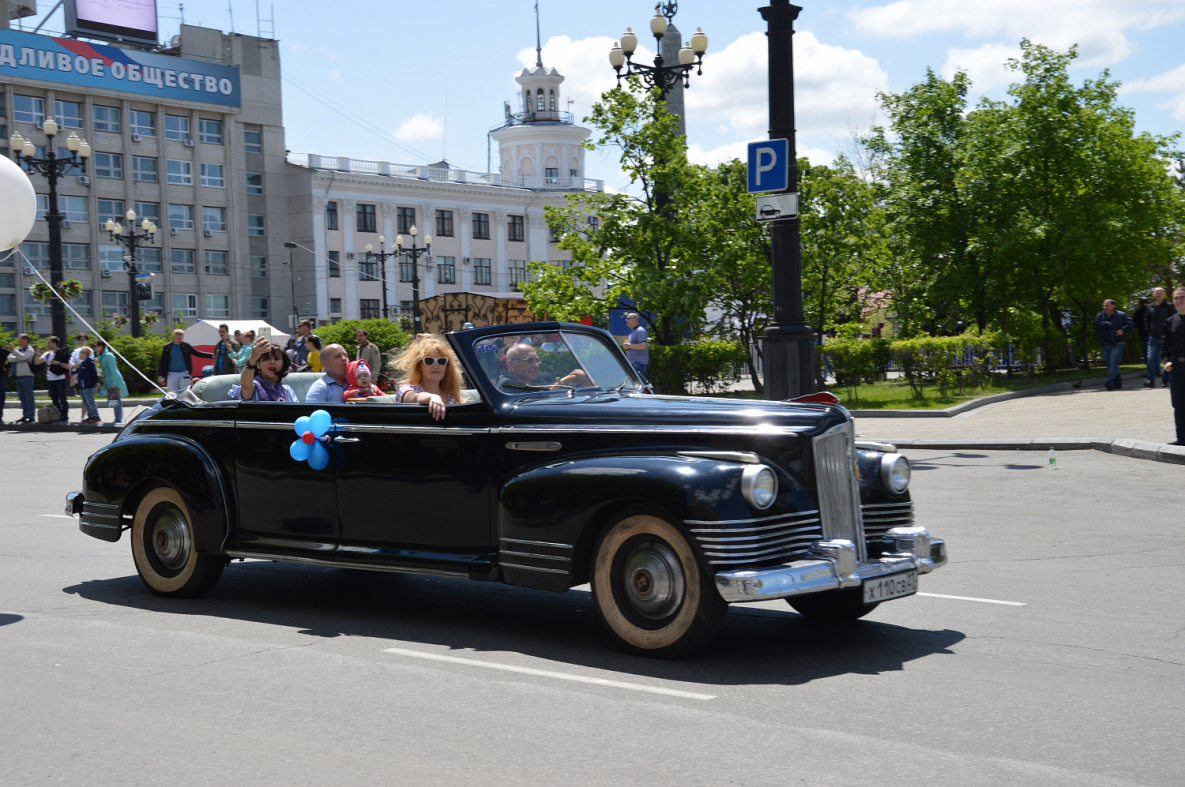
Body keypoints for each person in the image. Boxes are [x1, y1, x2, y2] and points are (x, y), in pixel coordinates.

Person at [395, 334, 463, 420]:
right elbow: (414, 398)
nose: (436, 366)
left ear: (446, 367)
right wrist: (432, 397)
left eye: (441, 361)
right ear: (419, 366)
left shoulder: (453, 397)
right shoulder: (406, 390)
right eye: (429, 361)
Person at [498, 341, 591, 390]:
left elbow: (560, 389)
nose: (536, 365)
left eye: (537, 360)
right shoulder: (506, 386)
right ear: (512, 365)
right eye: (529, 360)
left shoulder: (543, 378)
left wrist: (580, 382)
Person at [229, 337, 298, 402]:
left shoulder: (286, 390)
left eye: (276, 359)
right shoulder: (254, 388)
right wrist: (252, 359)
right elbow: (246, 387)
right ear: (258, 364)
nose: (272, 362)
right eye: (267, 359)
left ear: (283, 364)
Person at [1161, 287, 1185, 445]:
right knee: (1178, 404)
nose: (1179, 301)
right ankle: (1182, 439)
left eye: (1182, 297)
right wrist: (1166, 361)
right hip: (1177, 367)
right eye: (1176, 298)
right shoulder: (1170, 322)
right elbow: (1165, 346)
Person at [1093, 299, 1134, 390]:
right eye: (1104, 306)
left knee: (1113, 363)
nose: (1105, 308)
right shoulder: (1100, 315)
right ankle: (1118, 382)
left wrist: (1122, 330)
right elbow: (1096, 325)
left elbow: (1130, 324)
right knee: (1110, 364)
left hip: (1118, 343)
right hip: (1105, 343)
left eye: (1107, 306)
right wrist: (1107, 324)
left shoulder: (1121, 315)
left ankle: (1110, 381)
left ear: (1113, 306)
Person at [1142, 287, 1174, 388]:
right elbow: (1146, 320)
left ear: (1164, 294)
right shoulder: (1150, 306)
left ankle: (1166, 380)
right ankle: (1151, 380)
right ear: (1153, 295)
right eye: (1156, 293)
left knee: (1166, 359)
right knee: (1150, 358)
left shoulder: (1169, 306)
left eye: (1160, 293)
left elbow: (1174, 320)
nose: (1158, 294)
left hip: (1166, 337)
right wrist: (1149, 331)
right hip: (1153, 337)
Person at [6, 334, 39, 423]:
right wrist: (20, 358)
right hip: (18, 376)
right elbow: (9, 358)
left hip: (27, 376)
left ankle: (31, 416)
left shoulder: (30, 349)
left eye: (19, 339)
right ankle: (25, 415)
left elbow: (24, 357)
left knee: (29, 397)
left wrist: (14, 351)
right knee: (22, 398)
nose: (18, 341)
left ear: (25, 340)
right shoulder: (17, 349)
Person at [94, 339, 128, 425]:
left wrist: (113, 384)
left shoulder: (108, 356)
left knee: (116, 399)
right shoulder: (101, 356)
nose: (94, 348)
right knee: (113, 400)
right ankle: (117, 418)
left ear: (101, 346)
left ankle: (118, 419)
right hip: (109, 380)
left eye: (95, 346)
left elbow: (113, 370)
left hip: (114, 380)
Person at [42, 336, 71, 421]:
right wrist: (38, 352)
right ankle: (59, 414)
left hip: (60, 379)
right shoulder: (48, 354)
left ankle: (65, 416)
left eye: (49, 343)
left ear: (54, 343)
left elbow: (68, 366)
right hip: (50, 380)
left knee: (62, 398)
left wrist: (58, 363)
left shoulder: (62, 353)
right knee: (54, 399)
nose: (47, 344)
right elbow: (37, 362)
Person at [75, 346, 101, 424]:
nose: (79, 354)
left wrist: (95, 382)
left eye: (80, 353)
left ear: (85, 354)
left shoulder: (89, 363)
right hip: (82, 386)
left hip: (88, 386)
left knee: (90, 401)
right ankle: (90, 416)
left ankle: (95, 416)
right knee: (86, 402)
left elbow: (94, 374)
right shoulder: (83, 363)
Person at [623, 312, 649, 381]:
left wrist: (630, 345)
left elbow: (643, 346)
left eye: (628, 318)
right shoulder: (633, 332)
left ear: (634, 319)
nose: (626, 320)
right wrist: (628, 348)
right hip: (634, 363)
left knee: (639, 384)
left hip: (638, 363)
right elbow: (635, 346)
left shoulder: (640, 330)